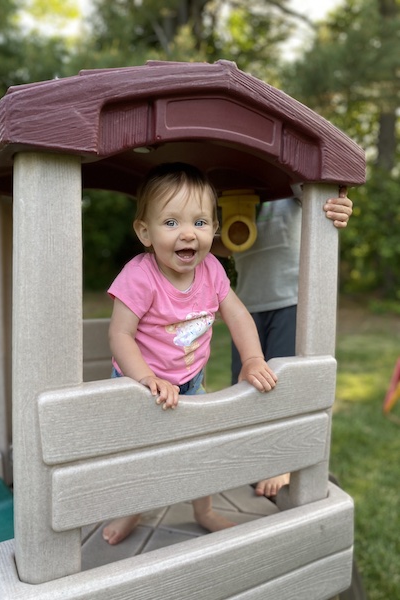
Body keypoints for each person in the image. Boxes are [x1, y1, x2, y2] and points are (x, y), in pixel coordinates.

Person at [103, 162, 277, 545]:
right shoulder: (140, 277)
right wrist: (146, 379)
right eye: (171, 223)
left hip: (190, 382)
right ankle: (133, 507)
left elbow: (238, 316)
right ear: (144, 232)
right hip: (139, 384)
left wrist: (251, 359)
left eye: (200, 223)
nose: (188, 234)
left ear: (214, 229)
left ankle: (204, 510)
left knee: (204, 445)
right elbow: (120, 335)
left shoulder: (212, 269)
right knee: (143, 454)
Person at [213, 189, 353, 498]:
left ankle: (284, 463)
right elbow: (226, 243)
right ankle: (256, 459)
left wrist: (339, 206)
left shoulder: (289, 188)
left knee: (283, 382)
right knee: (248, 386)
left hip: (291, 299)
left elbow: (323, 198)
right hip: (247, 304)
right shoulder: (235, 190)